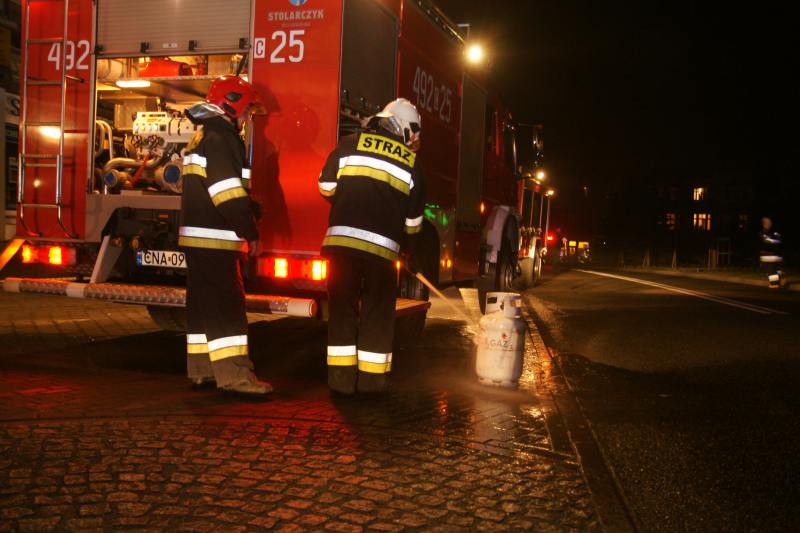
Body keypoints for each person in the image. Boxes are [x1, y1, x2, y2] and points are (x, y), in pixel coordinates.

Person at [317, 98, 425, 395]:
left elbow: (325, 187)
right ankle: (371, 383)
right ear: (404, 127)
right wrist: (409, 251)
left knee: (342, 310)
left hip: (341, 246)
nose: (415, 139)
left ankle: (340, 381)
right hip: (382, 253)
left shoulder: (349, 143)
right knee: (377, 313)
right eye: (415, 131)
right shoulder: (411, 163)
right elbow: (413, 221)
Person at [179, 75, 272, 395]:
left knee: (203, 307)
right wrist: (251, 230)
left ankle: (202, 370)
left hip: (197, 239)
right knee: (227, 308)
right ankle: (236, 377)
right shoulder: (223, 138)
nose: (247, 118)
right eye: (246, 111)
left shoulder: (202, 136)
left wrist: (248, 208)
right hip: (216, 239)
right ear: (231, 106)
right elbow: (227, 195)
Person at [759, 216, 784, 289]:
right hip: (776, 254)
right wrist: (777, 241)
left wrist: (775, 241)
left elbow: (766, 240)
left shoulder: (763, 232)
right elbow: (779, 239)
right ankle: (777, 283)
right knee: (776, 270)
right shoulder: (774, 232)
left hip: (768, 255)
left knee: (770, 270)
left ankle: (774, 284)